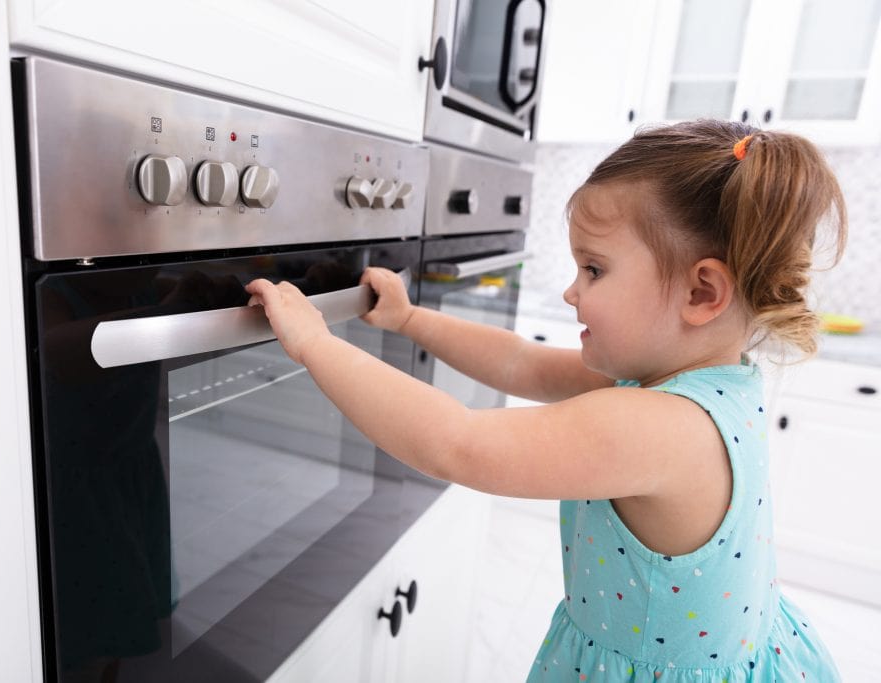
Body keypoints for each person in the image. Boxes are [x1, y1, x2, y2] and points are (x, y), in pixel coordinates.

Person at [245, 119, 846, 681]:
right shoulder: (700, 385)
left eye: (594, 269)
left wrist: (315, 344)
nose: (570, 290)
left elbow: (460, 445)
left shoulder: (660, 428)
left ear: (701, 291)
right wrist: (408, 319)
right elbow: (519, 362)